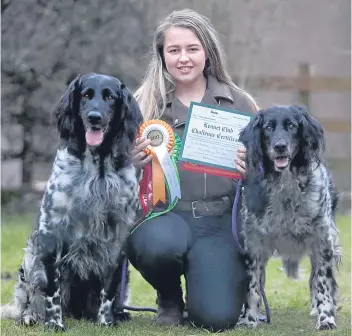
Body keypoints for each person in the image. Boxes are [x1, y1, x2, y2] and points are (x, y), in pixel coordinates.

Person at [125, 8, 259, 332]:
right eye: (174, 50)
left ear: (207, 53)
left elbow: (268, 174)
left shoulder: (241, 103)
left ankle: (211, 289)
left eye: (192, 49)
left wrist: (253, 169)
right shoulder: (140, 104)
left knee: (215, 318)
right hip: (162, 218)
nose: (183, 58)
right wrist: (128, 161)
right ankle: (169, 298)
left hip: (218, 224)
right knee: (158, 245)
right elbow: (110, 173)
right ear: (162, 55)